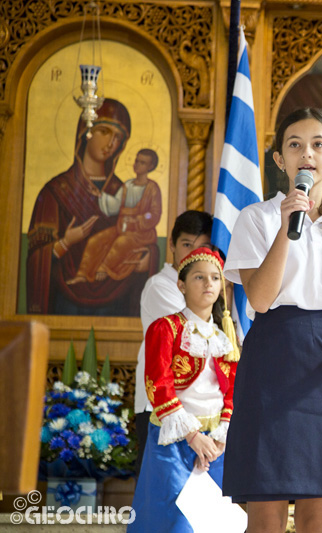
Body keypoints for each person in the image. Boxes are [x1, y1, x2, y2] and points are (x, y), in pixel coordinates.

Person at [221, 108, 322, 533]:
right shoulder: (255, 217)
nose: (306, 153)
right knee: (267, 508)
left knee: (318, 510)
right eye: (294, 144)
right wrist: (286, 225)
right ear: (279, 159)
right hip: (272, 355)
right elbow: (258, 296)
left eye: (317, 144)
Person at [129, 247, 239, 532]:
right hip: (174, 440)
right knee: (173, 519)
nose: (208, 284)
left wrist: (221, 433)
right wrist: (192, 436)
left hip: (215, 444)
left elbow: (231, 391)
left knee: (212, 522)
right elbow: (159, 384)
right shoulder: (165, 328)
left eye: (215, 278)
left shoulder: (224, 337)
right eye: (199, 277)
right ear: (181, 284)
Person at [26, 98, 154, 316]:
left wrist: (147, 257)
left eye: (118, 138)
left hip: (115, 301)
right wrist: (65, 242)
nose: (111, 143)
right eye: (104, 131)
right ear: (85, 132)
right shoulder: (54, 192)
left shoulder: (124, 192)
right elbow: (36, 258)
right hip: (65, 306)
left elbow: (140, 237)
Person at [132, 210, 213, 477]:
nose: (193, 254)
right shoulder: (161, 286)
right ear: (173, 246)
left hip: (203, 410)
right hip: (163, 407)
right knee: (163, 497)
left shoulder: (209, 286)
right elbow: (197, 331)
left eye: (202, 247)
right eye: (187, 245)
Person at [68, 148, 162, 285]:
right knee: (96, 240)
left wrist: (137, 221)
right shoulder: (127, 185)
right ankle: (82, 274)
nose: (137, 164)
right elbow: (115, 205)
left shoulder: (152, 188)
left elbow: (154, 215)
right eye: (136, 161)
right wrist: (100, 195)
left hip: (141, 234)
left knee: (121, 243)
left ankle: (104, 269)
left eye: (142, 162)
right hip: (121, 228)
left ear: (150, 167)